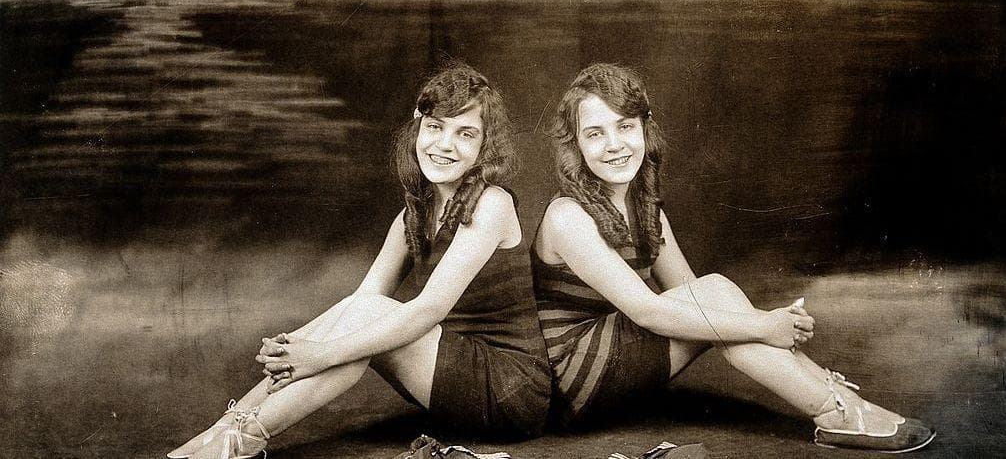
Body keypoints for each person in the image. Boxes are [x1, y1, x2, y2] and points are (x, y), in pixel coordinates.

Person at [530, 63, 935, 453]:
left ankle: (840, 400)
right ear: (575, 146)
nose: (615, 144)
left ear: (644, 129)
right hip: (571, 379)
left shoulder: (645, 210)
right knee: (720, 297)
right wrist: (764, 325)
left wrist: (769, 325)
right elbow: (648, 312)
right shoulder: (566, 215)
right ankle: (835, 411)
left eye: (625, 126)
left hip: (614, 366)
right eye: (595, 134)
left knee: (716, 297)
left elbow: (693, 294)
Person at [167, 63, 551, 459]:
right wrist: (294, 346)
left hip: (509, 389)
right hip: (452, 375)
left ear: (485, 147)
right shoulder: (413, 215)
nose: (444, 144)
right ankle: (223, 430)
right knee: (361, 310)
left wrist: (316, 354)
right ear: (418, 127)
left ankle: (240, 443)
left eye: (465, 133)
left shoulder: (492, 204)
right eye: (435, 127)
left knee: (364, 320)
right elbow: (358, 303)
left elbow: (428, 310)